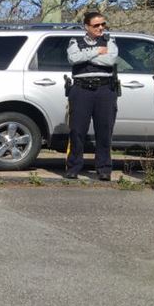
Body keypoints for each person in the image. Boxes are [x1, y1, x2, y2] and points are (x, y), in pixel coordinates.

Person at [65, 11, 119, 180]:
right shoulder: (75, 41)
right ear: (86, 27)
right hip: (81, 89)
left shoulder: (110, 40)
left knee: (104, 130)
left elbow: (110, 60)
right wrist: (97, 51)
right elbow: (73, 58)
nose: (101, 28)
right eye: (96, 25)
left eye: (103, 24)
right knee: (77, 131)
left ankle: (103, 168)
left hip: (104, 90)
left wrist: (86, 57)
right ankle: (74, 167)